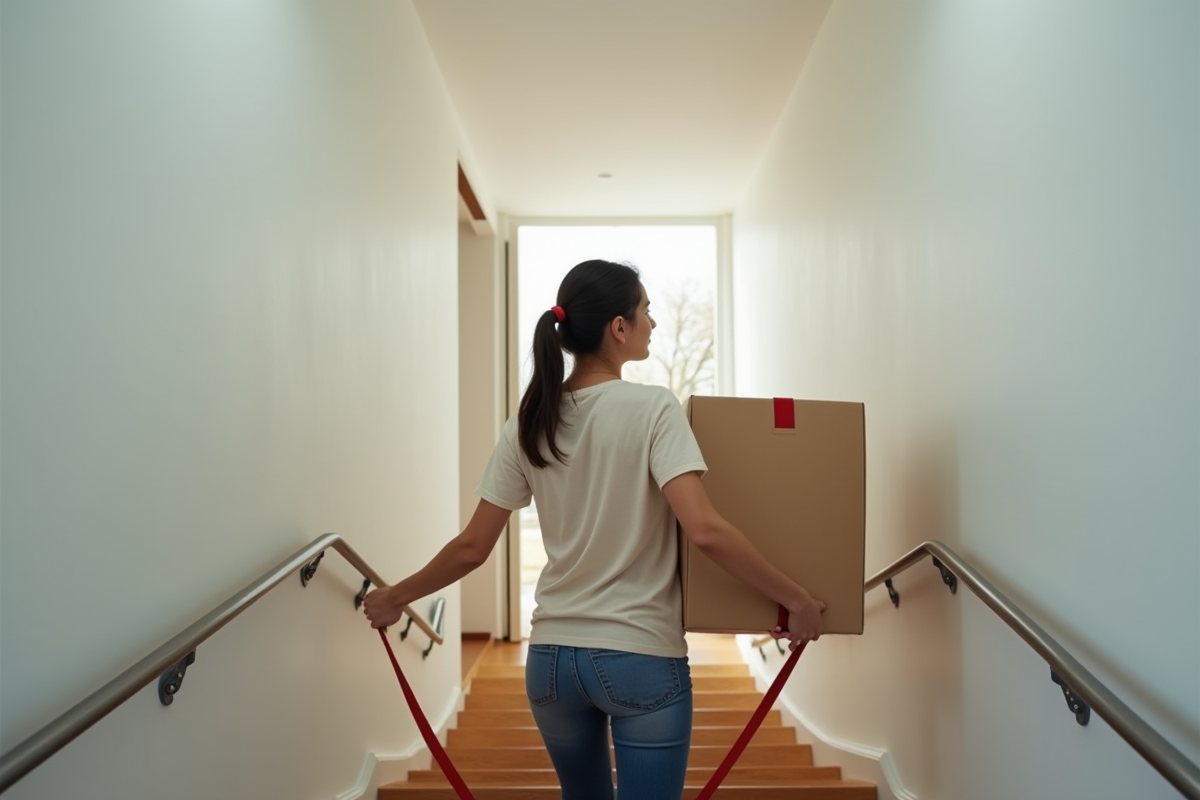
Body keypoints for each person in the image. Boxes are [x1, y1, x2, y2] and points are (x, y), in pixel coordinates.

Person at [363, 259, 825, 800]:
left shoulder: (529, 422)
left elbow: (471, 547)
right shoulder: (653, 408)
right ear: (618, 327)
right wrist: (796, 600)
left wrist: (395, 597)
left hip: (552, 662)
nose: (653, 322)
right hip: (639, 655)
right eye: (646, 310)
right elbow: (705, 531)